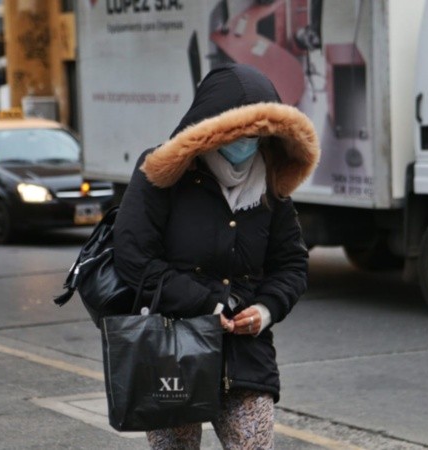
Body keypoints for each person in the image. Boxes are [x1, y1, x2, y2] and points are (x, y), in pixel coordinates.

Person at [113, 63, 320, 449]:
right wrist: (206, 304)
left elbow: (291, 264)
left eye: (260, 132)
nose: (249, 141)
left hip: (244, 356)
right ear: (212, 126)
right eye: (241, 131)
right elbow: (132, 256)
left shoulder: (272, 185)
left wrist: (265, 311)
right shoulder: (164, 173)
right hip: (171, 349)